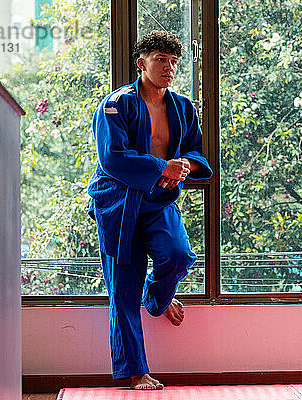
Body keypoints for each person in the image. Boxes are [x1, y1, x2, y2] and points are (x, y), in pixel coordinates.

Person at [87, 30, 212, 390]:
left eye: (174, 62)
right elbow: (111, 158)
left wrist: (186, 164)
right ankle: (136, 371)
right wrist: (162, 168)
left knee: (177, 254)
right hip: (118, 204)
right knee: (122, 289)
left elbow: (195, 151)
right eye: (161, 59)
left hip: (157, 201)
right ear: (141, 63)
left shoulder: (182, 107)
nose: (169, 67)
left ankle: (157, 298)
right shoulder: (116, 104)